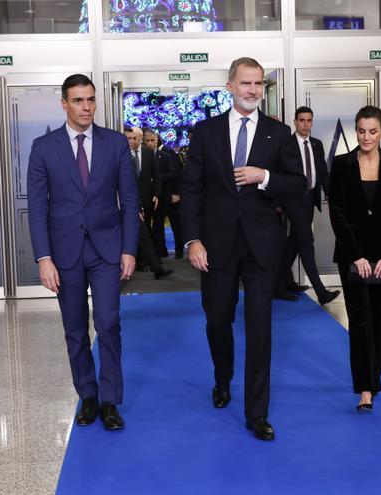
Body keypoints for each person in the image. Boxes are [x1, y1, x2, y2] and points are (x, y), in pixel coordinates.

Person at [181, 57, 306, 441]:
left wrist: (263, 176)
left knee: (260, 329)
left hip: (261, 247)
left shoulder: (279, 132)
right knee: (218, 320)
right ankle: (222, 378)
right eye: (246, 83)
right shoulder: (205, 132)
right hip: (216, 246)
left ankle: (257, 414)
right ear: (230, 86)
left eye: (259, 84)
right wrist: (192, 239)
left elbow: (297, 184)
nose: (253, 90)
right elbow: (191, 190)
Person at [27, 74, 139, 431]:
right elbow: (37, 207)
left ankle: (110, 400)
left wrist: (129, 249)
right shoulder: (43, 147)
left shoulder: (115, 143)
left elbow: (130, 198)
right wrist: (43, 258)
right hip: (64, 254)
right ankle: (87, 395)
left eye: (90, 99)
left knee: (108, 323)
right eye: (78, 100)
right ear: (64, 104)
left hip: (107, 250)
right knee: (74, 328)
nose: (86, 106)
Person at [328, 105, 381, 412]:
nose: (366, 137)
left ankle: (374, 377)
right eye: (361, 131)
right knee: (359, 319)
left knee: (378, 316)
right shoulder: (342, 163)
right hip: (352, 254)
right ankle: (364, 388)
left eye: (373, 131)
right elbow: (337, 213)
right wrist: (356, 255)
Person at [275, 106, 340, 305]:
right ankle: (321, 292)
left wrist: (331, 195)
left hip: (309, 199)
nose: (305, 124)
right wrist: (277, 201)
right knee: (306, 241)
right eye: (301, 120)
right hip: (292, 199)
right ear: (295, 122)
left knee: (294, 242)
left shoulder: (317, 144)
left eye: (309, 120)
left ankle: (279, 285)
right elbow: (277, 173)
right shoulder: (286, 144)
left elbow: (322, 173)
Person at [126, 127, 173, 279]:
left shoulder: (147, 153)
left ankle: (154, 266)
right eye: (129, 138)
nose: (132, 141)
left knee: (144, 233)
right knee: (142, 234)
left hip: (142, 201)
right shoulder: (121, 156)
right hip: (128, 203)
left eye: (134, 138)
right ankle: (152, 266)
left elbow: (156, 177)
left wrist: (156, 195)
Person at [144, 129, 179, 258]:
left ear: (157, 140)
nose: (150, 143)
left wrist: (156, 178)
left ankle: (161, 253)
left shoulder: (165, 156)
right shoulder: (139, 156)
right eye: (147, 140)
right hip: (145, 197)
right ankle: (149, 255)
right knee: (146, 227)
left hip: (162, 196)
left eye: (152, 140)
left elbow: (173, 174)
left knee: (159, 227)